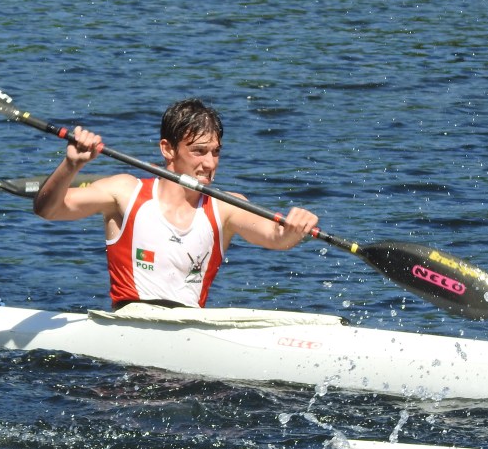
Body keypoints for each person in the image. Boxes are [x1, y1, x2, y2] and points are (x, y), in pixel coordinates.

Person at [32, 98, 319, 309]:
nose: (209, 163)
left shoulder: (226, 207)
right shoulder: (124, 192)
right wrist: (71, 165)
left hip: (189, 331)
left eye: (216, 152)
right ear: (167, 149)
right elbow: (48, 209)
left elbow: (276, 238)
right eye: (199, 151)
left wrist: (294, 228)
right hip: (129, 326)